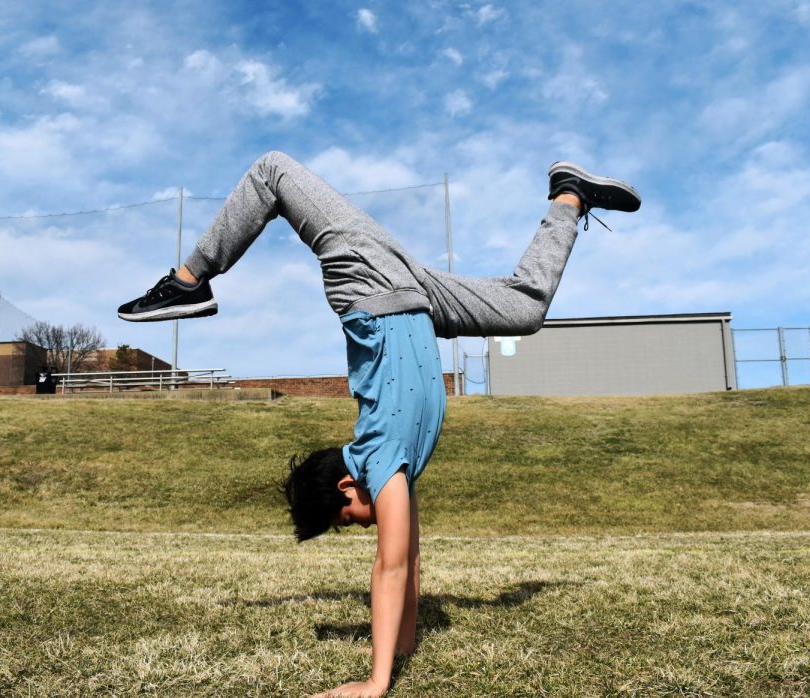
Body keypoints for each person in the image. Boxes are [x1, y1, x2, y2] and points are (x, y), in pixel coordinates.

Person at [118, 152, 640, 697]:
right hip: (415, 297)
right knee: (523, 309)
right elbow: (410, 561)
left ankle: (187, 279)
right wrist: (405, 643)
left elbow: (388, 569)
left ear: (348, 486)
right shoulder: (395, 474)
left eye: (347, 519)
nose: (363, 525)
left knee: (272, 171)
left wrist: (376, 680)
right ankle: (569, 196)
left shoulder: (379, 460)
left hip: (368, 281)